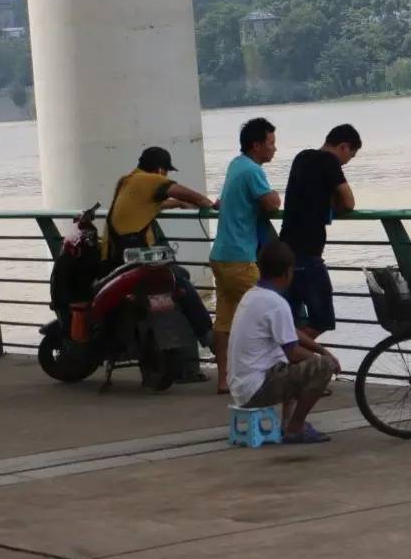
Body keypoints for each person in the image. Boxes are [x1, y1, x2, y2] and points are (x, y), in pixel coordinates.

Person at [228, 239, 340, 444]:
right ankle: (295, 428)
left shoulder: (252, 295)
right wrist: (322, 362)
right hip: (256, 389)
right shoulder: (276, 303)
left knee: (293, 364)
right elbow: (293, 352)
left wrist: (322, 350)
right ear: (288, 272)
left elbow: (292, 332)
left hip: (241, 386)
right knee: (321, 367)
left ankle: (287, 423)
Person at [103, 146, 215, 345]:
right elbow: (191, 195)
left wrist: (177, 204)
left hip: (116, 257)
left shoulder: (127, 181)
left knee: (178, 276)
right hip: (136, 259)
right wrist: (211, 205)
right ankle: (208, 335)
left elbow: (148, 203)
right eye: (166, 172)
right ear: (160, 170)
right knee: (179, 281)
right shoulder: (152, 180)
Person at [210, 118, 281, 394]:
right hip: (240, 258)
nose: (274, 148)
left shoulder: (235, 164)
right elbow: (271, 205)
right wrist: (275, 194)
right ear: (256, 145)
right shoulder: (253, 171)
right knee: (270, 312)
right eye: (271, 143)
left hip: (220, 255)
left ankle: (224, 380)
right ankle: (282, 377)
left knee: (225, 321)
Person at [278, 124, 361, 340]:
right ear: (344, 147)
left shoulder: (301, 157)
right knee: (322, 320)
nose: (346, 162)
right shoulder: (329, 161)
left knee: (288, 319)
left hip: (285, 252)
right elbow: (349, 203)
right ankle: (282, 351)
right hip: (308, 254)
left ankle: (281, 353)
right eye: (350, 156)